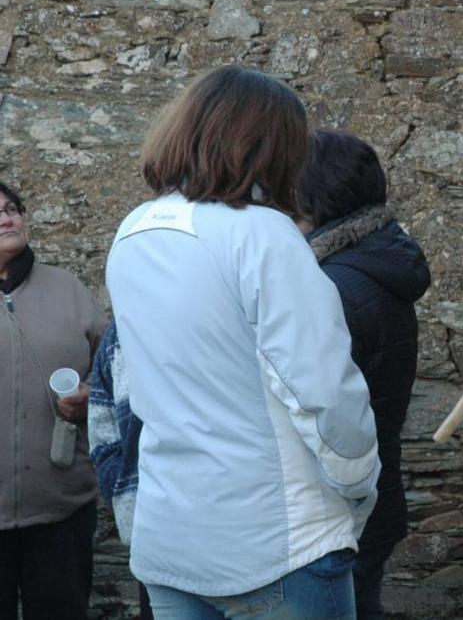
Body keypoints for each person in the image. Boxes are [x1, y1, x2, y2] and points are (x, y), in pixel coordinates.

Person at [105, 65, 380, 619]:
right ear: (270, 146)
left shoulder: (133, 230)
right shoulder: (263, 234)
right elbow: (324, 392)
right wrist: (358, 489)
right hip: (275, 542)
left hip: (171, 535)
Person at [300, 129, 432, 620]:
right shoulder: (374, 263)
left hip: (340, 511)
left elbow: (317, 410)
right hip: (373, 500)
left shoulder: (333, 285)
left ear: (313, 198)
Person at [0, 181, 106, 620]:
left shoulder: (70, 291)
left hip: (61, 508)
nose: (7, 218)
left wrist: (90, 396)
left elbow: (115, 373)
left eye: (12, 208)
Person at [88, 322, 154, 619]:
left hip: (238, 532)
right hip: (154, 541)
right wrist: (124, 490)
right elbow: (102, 432)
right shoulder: (120, 334)